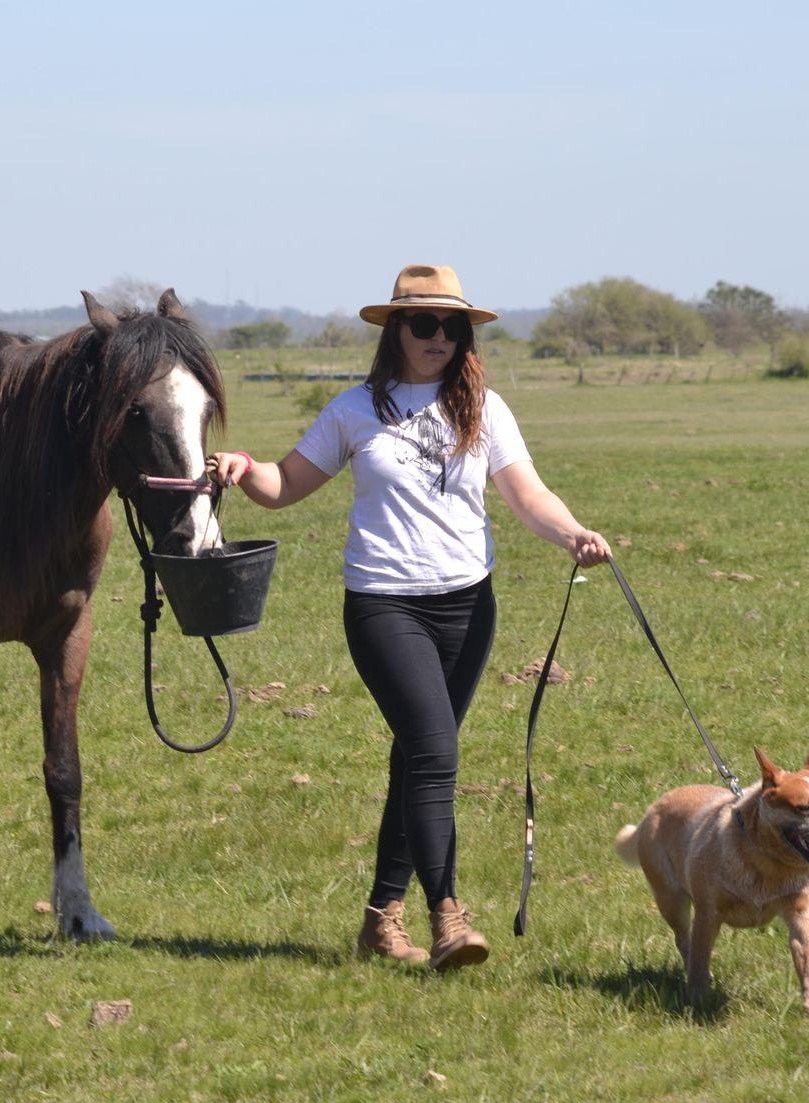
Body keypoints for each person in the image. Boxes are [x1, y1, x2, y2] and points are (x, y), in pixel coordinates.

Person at [208, 264, 610, 971]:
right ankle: (448, 916)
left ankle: (380, 919)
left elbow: (528, 495)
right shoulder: (354, 410)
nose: (439, 337)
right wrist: (244, 466)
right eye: (424, 323)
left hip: (468, 607)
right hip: (384, 604)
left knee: (418, 758)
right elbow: (286, 484)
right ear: (395, 329)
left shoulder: (484, 409)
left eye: (453, 326)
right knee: (435, 754)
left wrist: (573, 532)